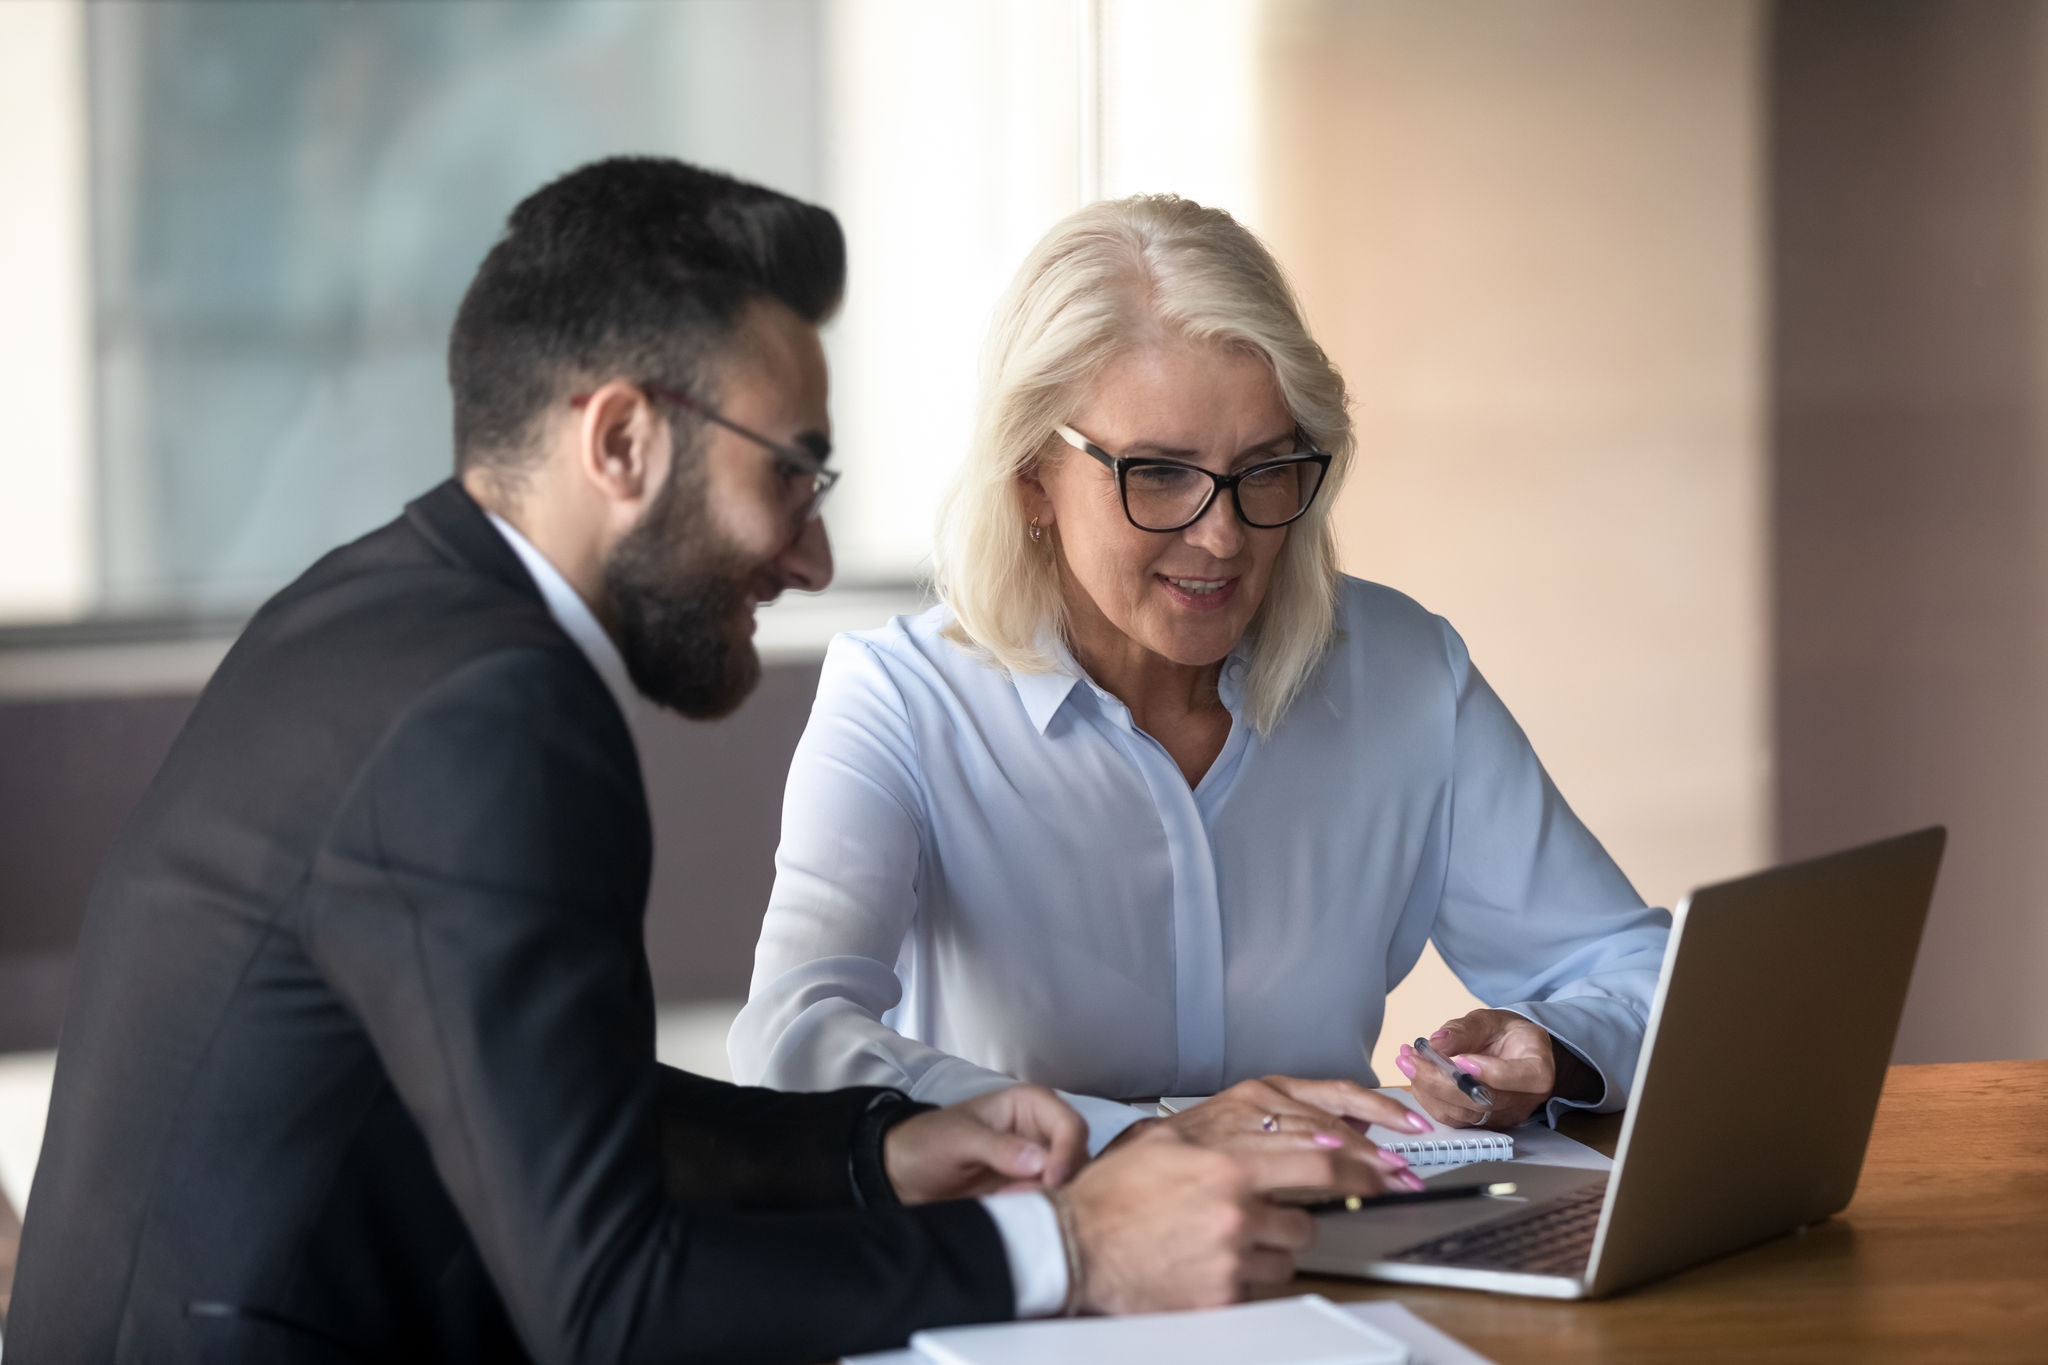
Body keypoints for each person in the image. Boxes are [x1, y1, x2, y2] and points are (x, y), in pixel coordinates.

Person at [6, 162, 1388, 1365]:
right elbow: (608, 1302)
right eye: (789, 475)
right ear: (620, 441)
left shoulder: (377, 608)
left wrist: (870, 1153)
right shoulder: (493, 720)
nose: (813, 555)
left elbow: (546, 1104)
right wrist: (1068, 1251)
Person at [731, 194, 1673, 1158]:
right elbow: (795, 1042)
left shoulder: (1404, 671)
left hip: (1350, 1252)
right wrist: (1142, 1141)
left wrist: (1552, 1047)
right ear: (1030, 478)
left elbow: (1638, 970)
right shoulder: (902, 698)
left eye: (1266, 468)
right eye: (1160, 473)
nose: (1221, 534)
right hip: (1049, 1264)